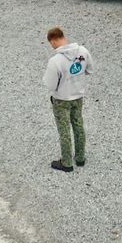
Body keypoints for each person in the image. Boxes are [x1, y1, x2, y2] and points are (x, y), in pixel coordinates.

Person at [42, 26, 93, 173]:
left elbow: (50, 84)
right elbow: (90, 69)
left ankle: (66, 162)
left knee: (64, 129)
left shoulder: (55, 61)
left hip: (61, 99)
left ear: (52, 41)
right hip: (78, 95)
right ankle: (80, 157)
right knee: (78, 125)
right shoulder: (83, 51)